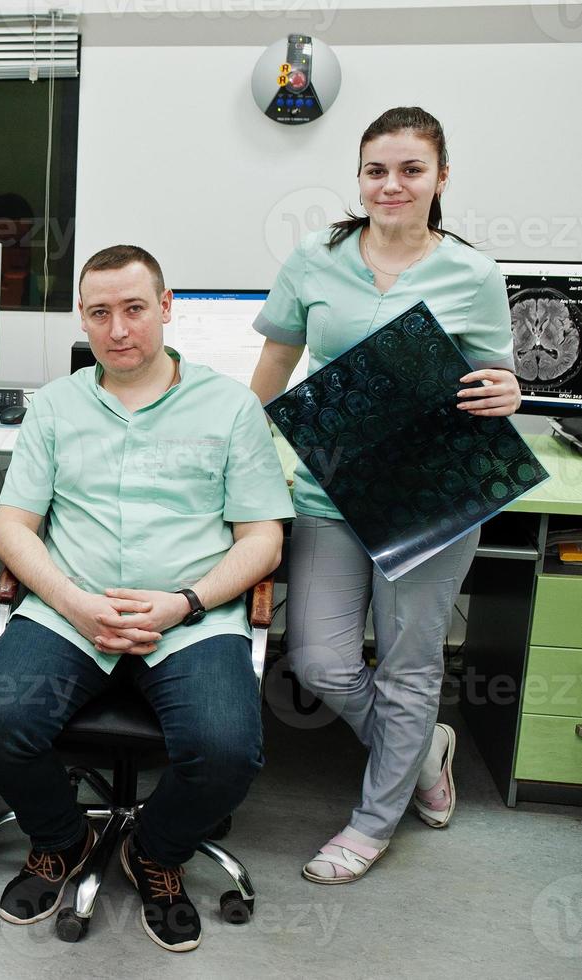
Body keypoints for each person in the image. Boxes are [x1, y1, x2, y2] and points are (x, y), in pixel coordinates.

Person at [0, 245, 293, 953]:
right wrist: (74, 603)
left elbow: (261, 540)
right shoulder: (55, 405)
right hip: (69, 612)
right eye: (99, 313)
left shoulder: (229, 406)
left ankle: (155, 851)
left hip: (187, 619)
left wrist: (183, 602)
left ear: (165, 308)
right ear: (82, 319)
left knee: (227, 750)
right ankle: (61, 836)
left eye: (134, 309)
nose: (117, 329)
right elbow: (11, 529)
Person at [249, 106, 520, 884]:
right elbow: (275, 364)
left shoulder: (473, 274)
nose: (390, 184)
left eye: (410, 169)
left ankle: (371, 823)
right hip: (329, 494)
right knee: (323, 661)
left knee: (408, 668)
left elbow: (491, 381)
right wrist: (234, 450)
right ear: (358, 177)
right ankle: (420, 750)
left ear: (440, 179)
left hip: (429, 497)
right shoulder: (315, 256)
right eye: (375, 169)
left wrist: (508, 390)